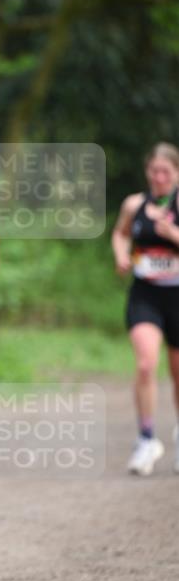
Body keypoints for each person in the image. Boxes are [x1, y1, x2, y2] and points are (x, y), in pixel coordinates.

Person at [112, 142, 179, 476]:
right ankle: (147, 438)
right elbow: (121, 234)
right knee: (145, 363)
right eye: (154, 170)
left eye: (166, 171)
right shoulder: (134, 204)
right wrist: (121, 254)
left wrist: (174, 235)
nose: (160, 177)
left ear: (177, 173)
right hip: (145, 295)